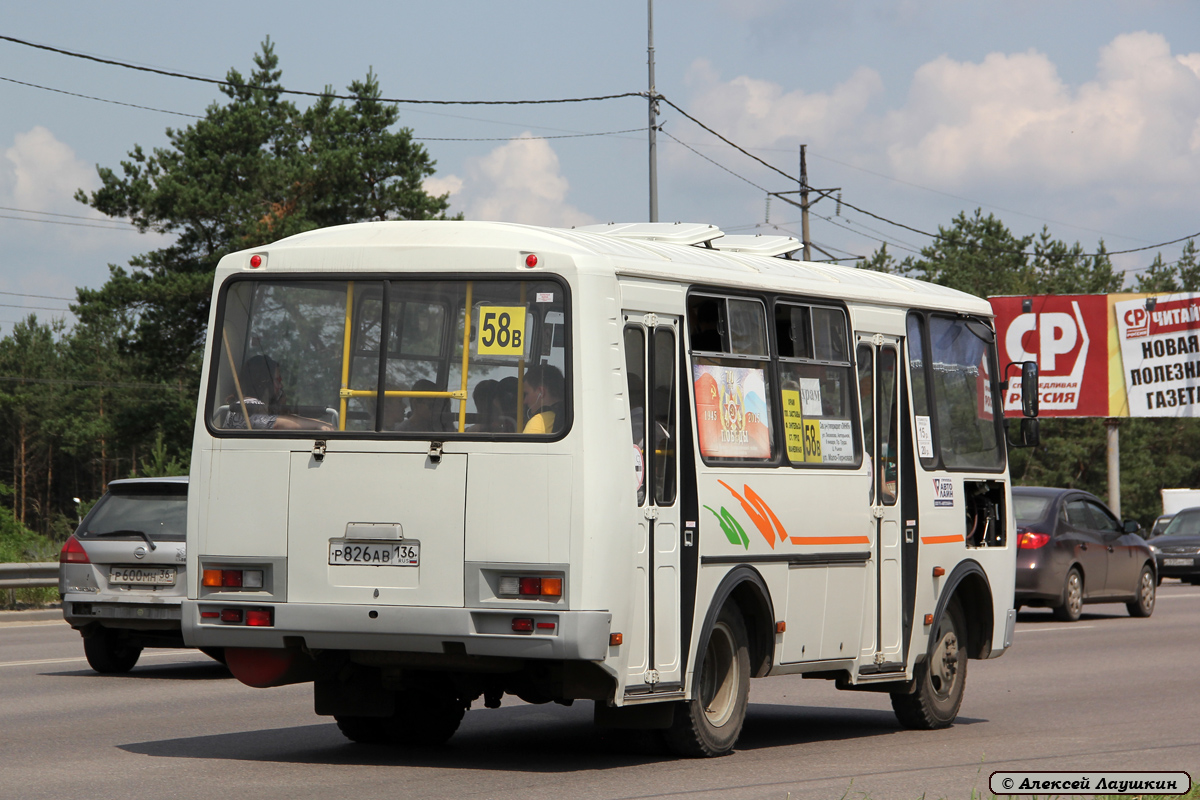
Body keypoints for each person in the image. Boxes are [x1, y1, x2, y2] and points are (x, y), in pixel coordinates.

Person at [226, 355, 332, 431]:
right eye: (278, 380)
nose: (281, 386)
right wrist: (317, 425)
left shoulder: (249, 404)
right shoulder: (248, 405)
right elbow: (277, 423)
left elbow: (286, 419)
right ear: (263, 382)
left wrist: (321, 423)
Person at [522, 364, 565, 434]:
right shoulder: (573, 417)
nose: (525, 401)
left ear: (541, 392)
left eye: (527, 394)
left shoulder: (539, 421)